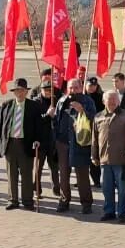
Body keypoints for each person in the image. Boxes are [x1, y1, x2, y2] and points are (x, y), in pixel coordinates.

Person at [53, 78, 95, 215]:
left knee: (82, 175)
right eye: (70, 88)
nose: (73, 90)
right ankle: (64, 201)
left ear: (81, 87)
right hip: (63, 143)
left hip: (80, 144)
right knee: (64, 175)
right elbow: (57, 121)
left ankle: (86, 203)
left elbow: (94, 119)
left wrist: (82, 110)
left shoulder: (87, 101)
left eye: (76, 88)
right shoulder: (62, 100)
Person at [93, 90, 125, 222]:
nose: (112, 102)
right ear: (104, 101)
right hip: (104, 160)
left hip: (121, 160)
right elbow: (94, 139)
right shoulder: (98, 117)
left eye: (114, 99)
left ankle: (122, 213)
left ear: (119, 101)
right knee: (107, 188)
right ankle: (109, 211)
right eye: (109, 100)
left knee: (122, 190)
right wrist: (94, 156)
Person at [0, 78, 38, 210]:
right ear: (14, 92)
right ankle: (13, 200)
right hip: (10, 144)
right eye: (17, 90)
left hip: (26, 144)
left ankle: (27, 200)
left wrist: (38, 140)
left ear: (26, 92)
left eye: (22, 90)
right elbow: (0, 125)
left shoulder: (33, 106)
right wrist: (0, 144)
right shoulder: (6, 105)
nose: (19, 93)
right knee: (11, 174)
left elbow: (39, 126)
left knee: (26, 174)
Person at [30, 81, 59, 201]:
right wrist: (47, 115)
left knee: (54, 168)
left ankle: (57, 189)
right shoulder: (35, 103)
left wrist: (55, 116)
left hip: (53, 140)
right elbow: (35, 121)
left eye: (50, 90)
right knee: (38, 168)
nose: (48, 92)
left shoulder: (56, 101)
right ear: (41, 90)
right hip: (40, 140)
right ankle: (37, 190)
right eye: (46, 90)